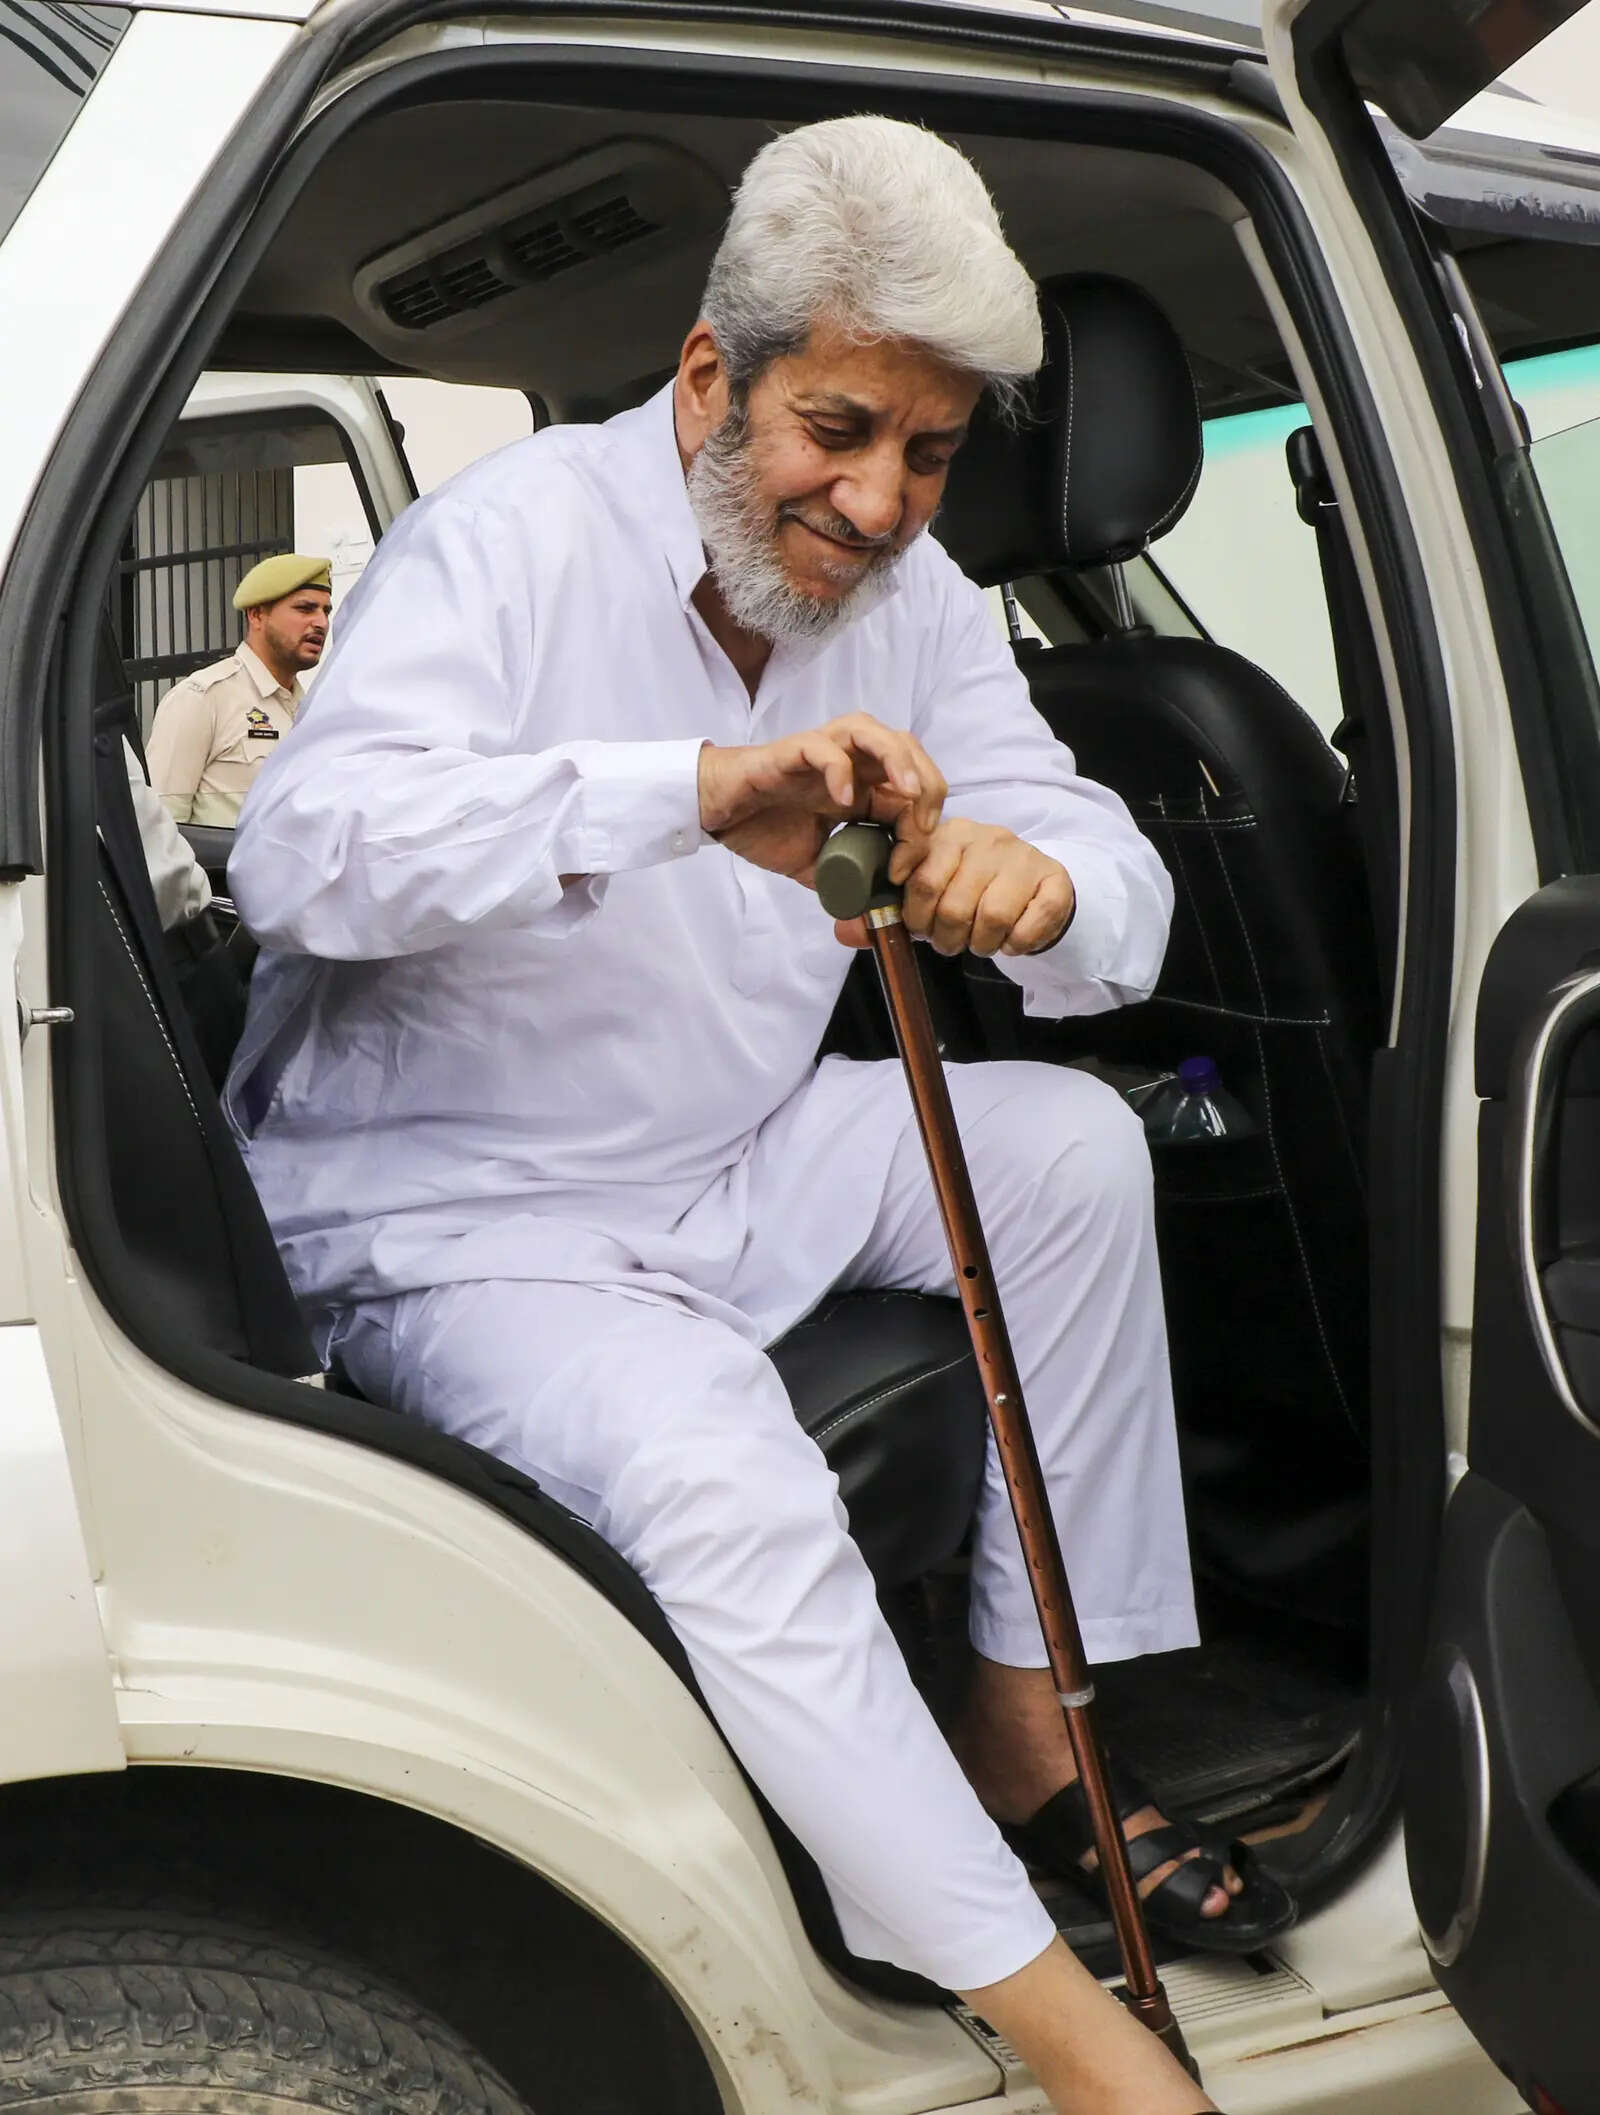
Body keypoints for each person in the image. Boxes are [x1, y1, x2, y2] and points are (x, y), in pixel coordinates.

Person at [226, 118, 1289, 2112]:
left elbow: (1107, 881)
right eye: (840, 430)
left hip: (720, 1160)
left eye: (931, 453)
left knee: (1070, 1149)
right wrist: (698, 790)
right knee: (727, 1472)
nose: (879, 502)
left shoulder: (917, 599)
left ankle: (1024, 1737)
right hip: (456, 1216)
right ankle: (1078, 2045)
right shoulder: (512, 538)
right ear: (712, 378)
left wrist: (1043, 884)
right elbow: (304, 857)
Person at [146, 554, 331, 825]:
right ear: (256, 615)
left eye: (326, 611)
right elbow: (159, 825)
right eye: (305, 609)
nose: (321, 623)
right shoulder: (204, 698)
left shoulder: (312, 711)